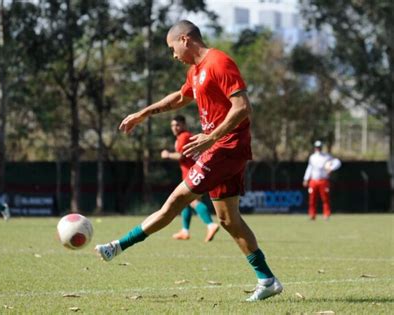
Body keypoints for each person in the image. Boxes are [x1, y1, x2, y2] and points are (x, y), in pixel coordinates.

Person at [95, 20, 282, 301]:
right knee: (228, 220)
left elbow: (243, 107)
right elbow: (180, 97)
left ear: (185, 39)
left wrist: (211, 137)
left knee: (174, 202)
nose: (173, 55)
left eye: (173, 48)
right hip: (222, 148)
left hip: (225, 147)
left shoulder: (219, 62)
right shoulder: (196, 71)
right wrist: (143, 113)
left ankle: (118, 246)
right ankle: (267, 280)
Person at [161, 115, 219, 241]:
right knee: (184, 202)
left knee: (193, 201)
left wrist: (168, 154)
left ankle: (211, 224)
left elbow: (181, 156)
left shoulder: (184, 136)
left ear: (184, 125)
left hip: (192, 174)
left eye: (178, 125)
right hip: (192, 173)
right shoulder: (184, 137)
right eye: (173, 125)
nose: (175, 128)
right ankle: (185, 231)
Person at [303, 140, 341, 220]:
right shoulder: (312, 157)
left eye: (319, 147)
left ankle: (326, 214)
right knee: (312, 199)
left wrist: (331, 168)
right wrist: (306, 179)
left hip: (323, 181)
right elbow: (309, 168)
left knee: (325, 199)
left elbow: (337, 162)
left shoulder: (327, 157)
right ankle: (312, 214)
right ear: (315, 148)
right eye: (317, 147)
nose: (318, 149)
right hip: (313, 180)